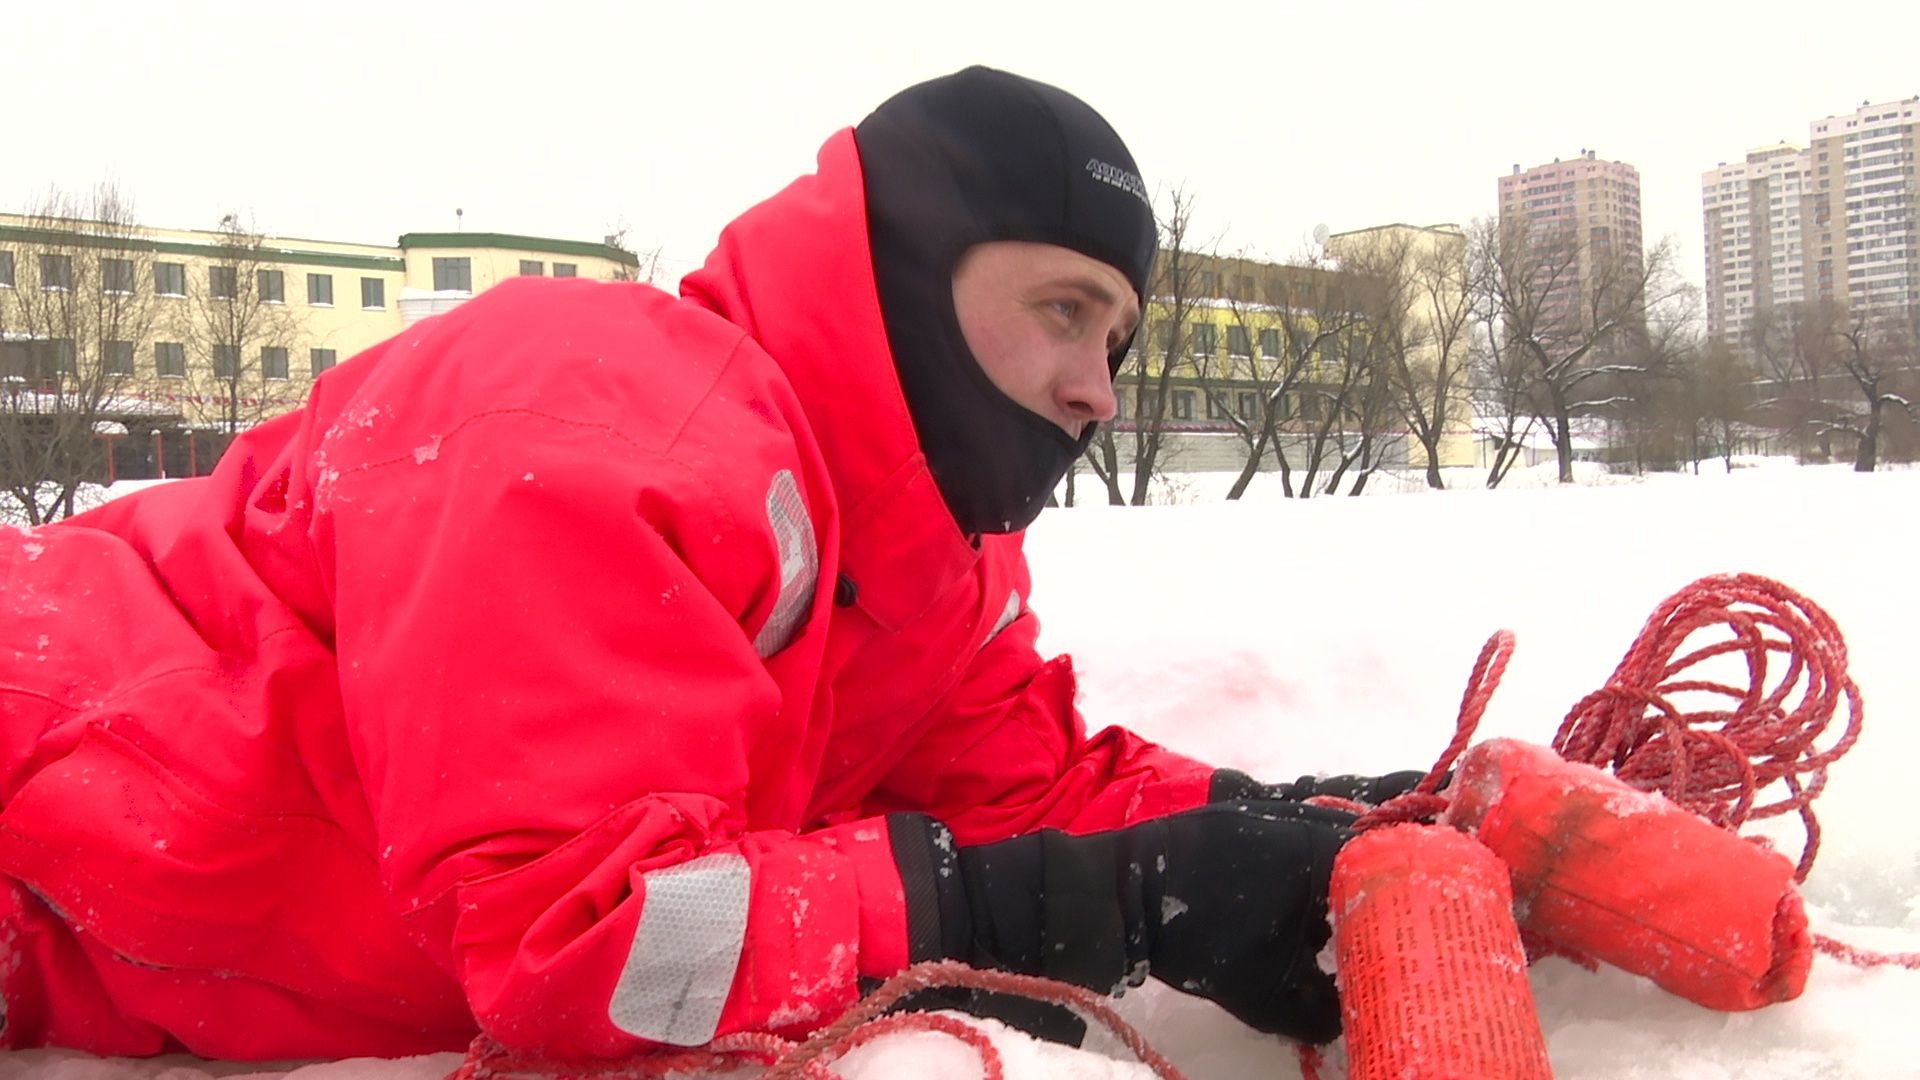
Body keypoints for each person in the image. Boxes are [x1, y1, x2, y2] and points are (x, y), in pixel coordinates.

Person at [0, 67, 1418, 1061]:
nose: (1096, 389)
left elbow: (1030, 794)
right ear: (912, 266)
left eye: (1115, 338)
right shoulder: (599, 416)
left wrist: (1328, 825)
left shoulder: (926, 568)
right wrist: (1088, 906)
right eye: (1063, 309)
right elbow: (594, 941)